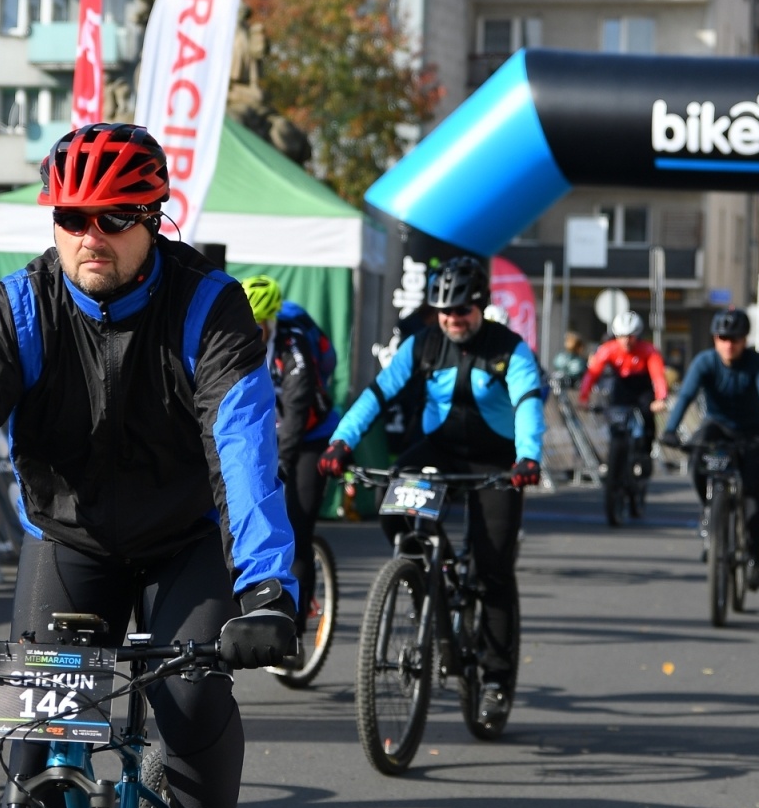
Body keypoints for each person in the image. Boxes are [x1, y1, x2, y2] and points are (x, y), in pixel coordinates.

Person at [0, 124, 297, 808]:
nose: (91, 236)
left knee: (189, 703)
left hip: (186, 542)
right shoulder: (18, 308)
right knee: (34, 753)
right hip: (68, 541)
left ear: (154, 219)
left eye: (114, 218)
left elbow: (243, 449)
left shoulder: (208, 306)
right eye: (72, 217)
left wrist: (267, 590)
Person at [319, 255, 545, 726]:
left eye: (461, 310)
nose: (452, 319)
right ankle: (425, 575)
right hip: (438, 451)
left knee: (493, 569)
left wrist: (528, 457)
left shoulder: (510, 348)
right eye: (443, 311)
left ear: (480, 306)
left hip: (498, 462)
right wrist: (342, 441)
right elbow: (378, 393)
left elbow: (527, 400)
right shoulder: (422, 344)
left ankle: (496, 680)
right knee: (393, 510)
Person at [243, 274, 339, 658]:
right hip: (268, 432)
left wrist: (281, 462)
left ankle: (292, 639)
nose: (253, 333)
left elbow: (298, 412)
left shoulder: (293, 346)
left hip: (312, 437)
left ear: (271, 321)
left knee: (297, 530)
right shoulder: (237, 340)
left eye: (258, 326)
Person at [659, 309, 759, 588]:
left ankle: (754, 558)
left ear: (745, 340)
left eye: (736, 339)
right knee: (697, 455)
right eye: (723, 338)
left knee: (753, 496)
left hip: (751, 431)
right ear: (715, 339)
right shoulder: (704, 362)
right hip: (717, 426)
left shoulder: (756, 363)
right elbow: (686, 395)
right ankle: (709, 509)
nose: (729, 345)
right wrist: (670, 429)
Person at [578, 311, 668, 488]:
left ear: (638, 336)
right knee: (615, 418)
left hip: (642, 388)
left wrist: (661, 398)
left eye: (630, 336)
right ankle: (615, 459)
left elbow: (658, 376)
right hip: (621, 388)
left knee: (647, 417)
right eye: (621, 336)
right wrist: (583, 397)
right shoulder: (608, 349)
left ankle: (645, 454)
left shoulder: (648, 350)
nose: (626, 341)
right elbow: (592, 373)